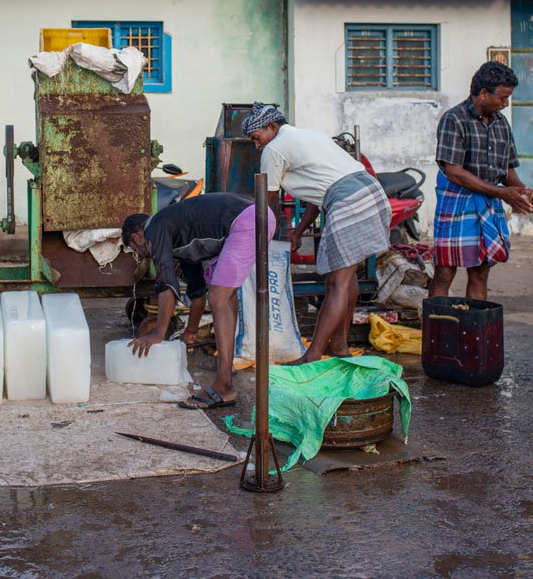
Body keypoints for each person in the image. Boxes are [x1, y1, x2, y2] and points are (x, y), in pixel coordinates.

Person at [245, 102, 389, 366]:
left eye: (256, 138)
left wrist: (251, 235)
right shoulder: (311, 135)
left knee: (336, 283)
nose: (257, 146)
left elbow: (267, 200)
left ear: (272, 127)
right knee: (347, 277)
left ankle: (312, 355)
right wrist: (299, 231)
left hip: (348, 201)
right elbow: (318, 194)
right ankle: (340, 345)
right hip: (371, 191)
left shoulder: (274, 149)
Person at [122, 193, 277, 409]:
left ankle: (223, 387)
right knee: (223, 293)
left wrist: (158, 334)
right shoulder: (177, 233)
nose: (140, 253)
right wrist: (191, 331)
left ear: (137, 237)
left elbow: (166, 285)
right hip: (256, 215)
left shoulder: (153, 229)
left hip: (246, 220)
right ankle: (225, 379)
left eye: (134, 249)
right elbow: (197, 293)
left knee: (219, 296)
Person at [432, 61, 533, 300]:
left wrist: (522, 191)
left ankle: (474, 331)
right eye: (502, 98)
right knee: (444, 272)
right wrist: (503, 193)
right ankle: (435, 334)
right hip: (456, 199)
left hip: (489, 201)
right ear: (483, 94)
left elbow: (508, 170)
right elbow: (454, 172)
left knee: (480, 270)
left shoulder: (501, 123)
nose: (505, 104)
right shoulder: (455, 119)